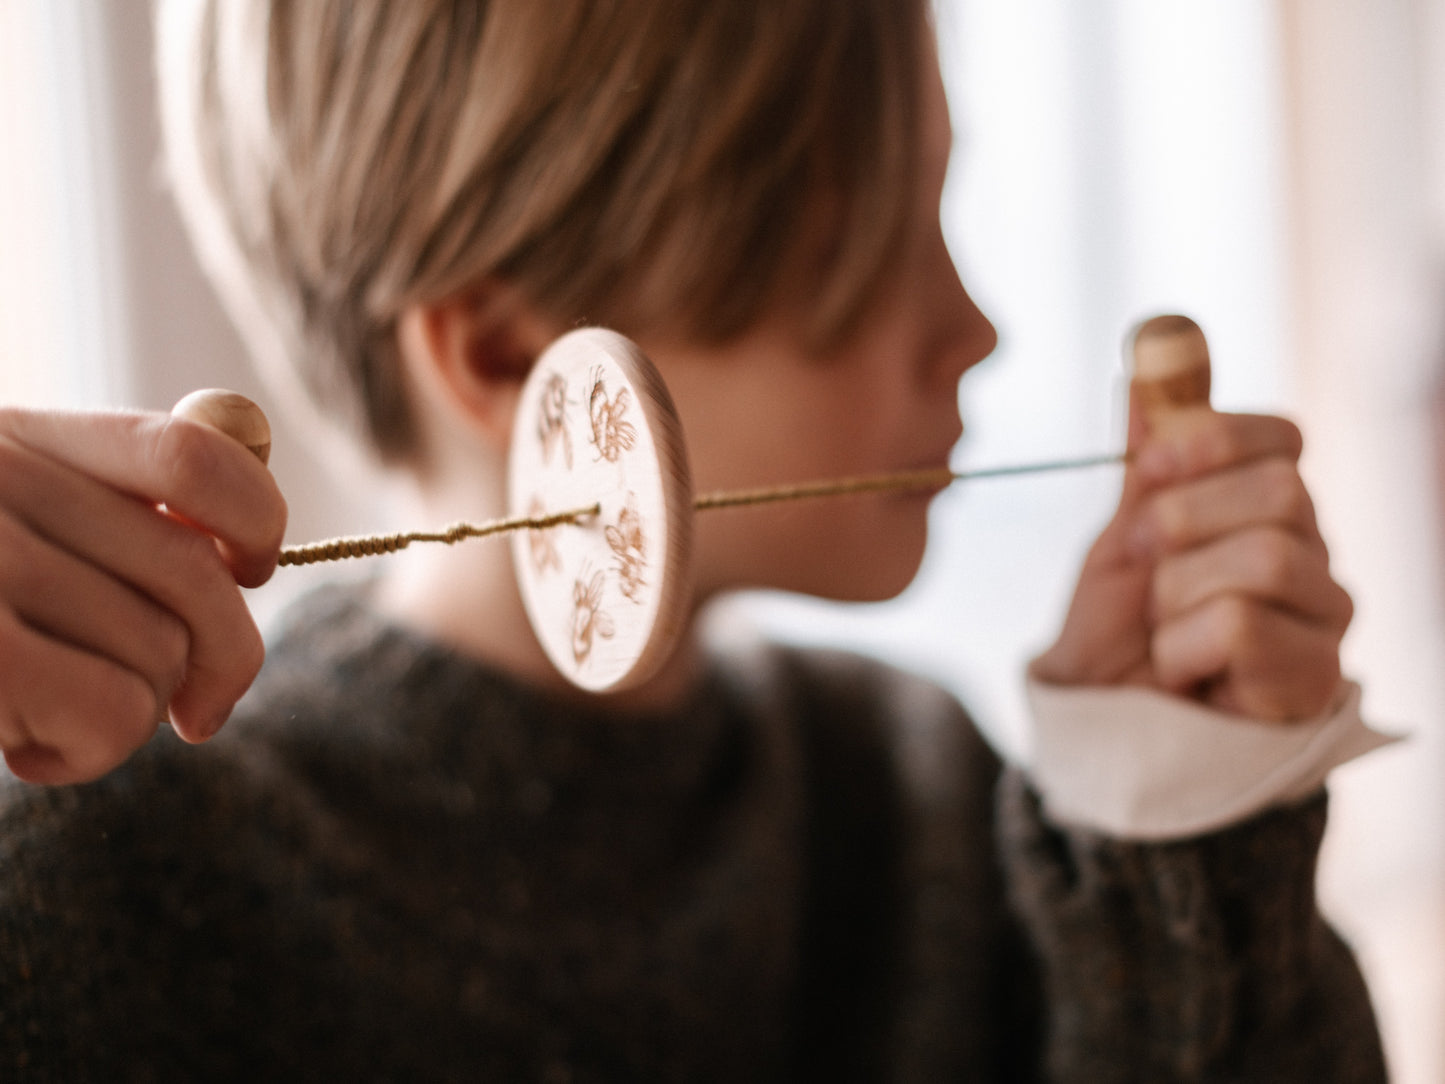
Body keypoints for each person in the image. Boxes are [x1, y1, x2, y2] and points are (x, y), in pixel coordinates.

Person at [0, 0, 1389, 1078]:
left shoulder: (930, 805)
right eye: (870, 244)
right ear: (502, 350)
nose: (975, 330)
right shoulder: (95, 885)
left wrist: (1174, 826)